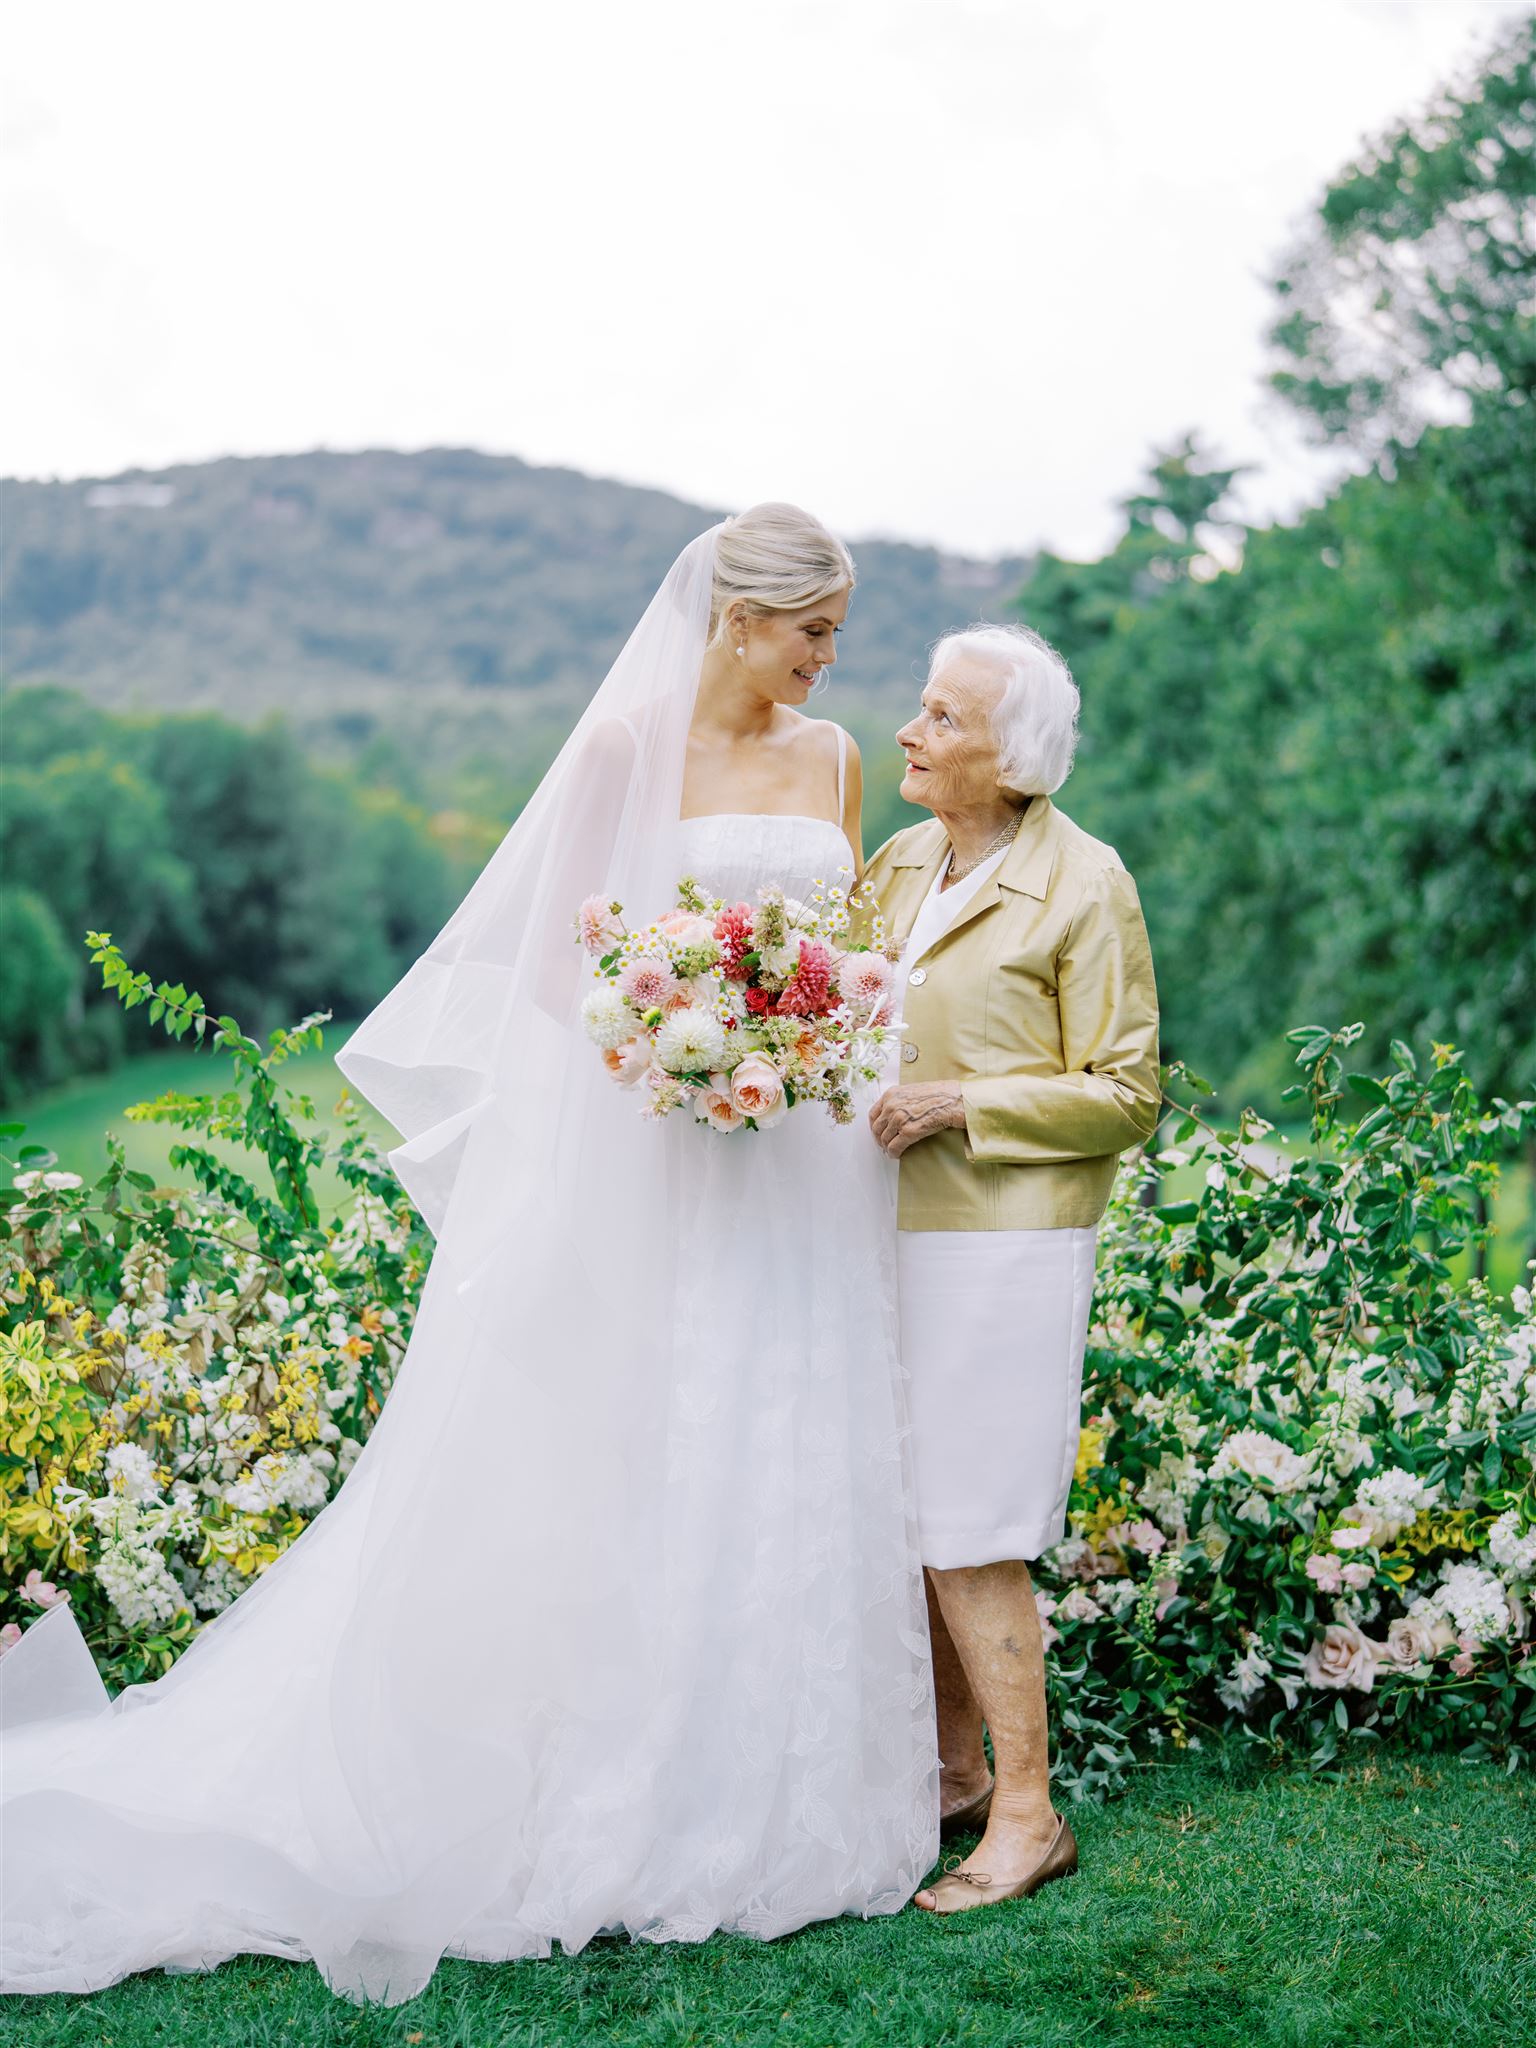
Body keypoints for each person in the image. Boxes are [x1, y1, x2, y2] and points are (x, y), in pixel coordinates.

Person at [0, 507, 938, 2006]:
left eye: (835, 630)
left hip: (803, 1161)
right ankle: (628, 1796)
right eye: (814, 631)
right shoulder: (625, 751)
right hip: (668, 1139)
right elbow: (564, 966)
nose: (833, 661)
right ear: (738, 620)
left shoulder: (828, 765)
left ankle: (789, 1801)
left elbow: (841, 947)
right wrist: (689, 1037)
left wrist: (809, 1028)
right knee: (660, 1439)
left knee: (787, 1431)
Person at [864, 623, 1160, 1913]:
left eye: (941, 718)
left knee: (973, 1523)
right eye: (921, 710)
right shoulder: (898, 861)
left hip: (1001, 1250)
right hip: (874, 1236)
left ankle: (1030, 1815)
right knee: (912, 1518)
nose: (910, 734)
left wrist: (962, 1102)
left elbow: (1126, 1090)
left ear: (1016, 757)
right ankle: (953, 1777)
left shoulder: (1087, 881)